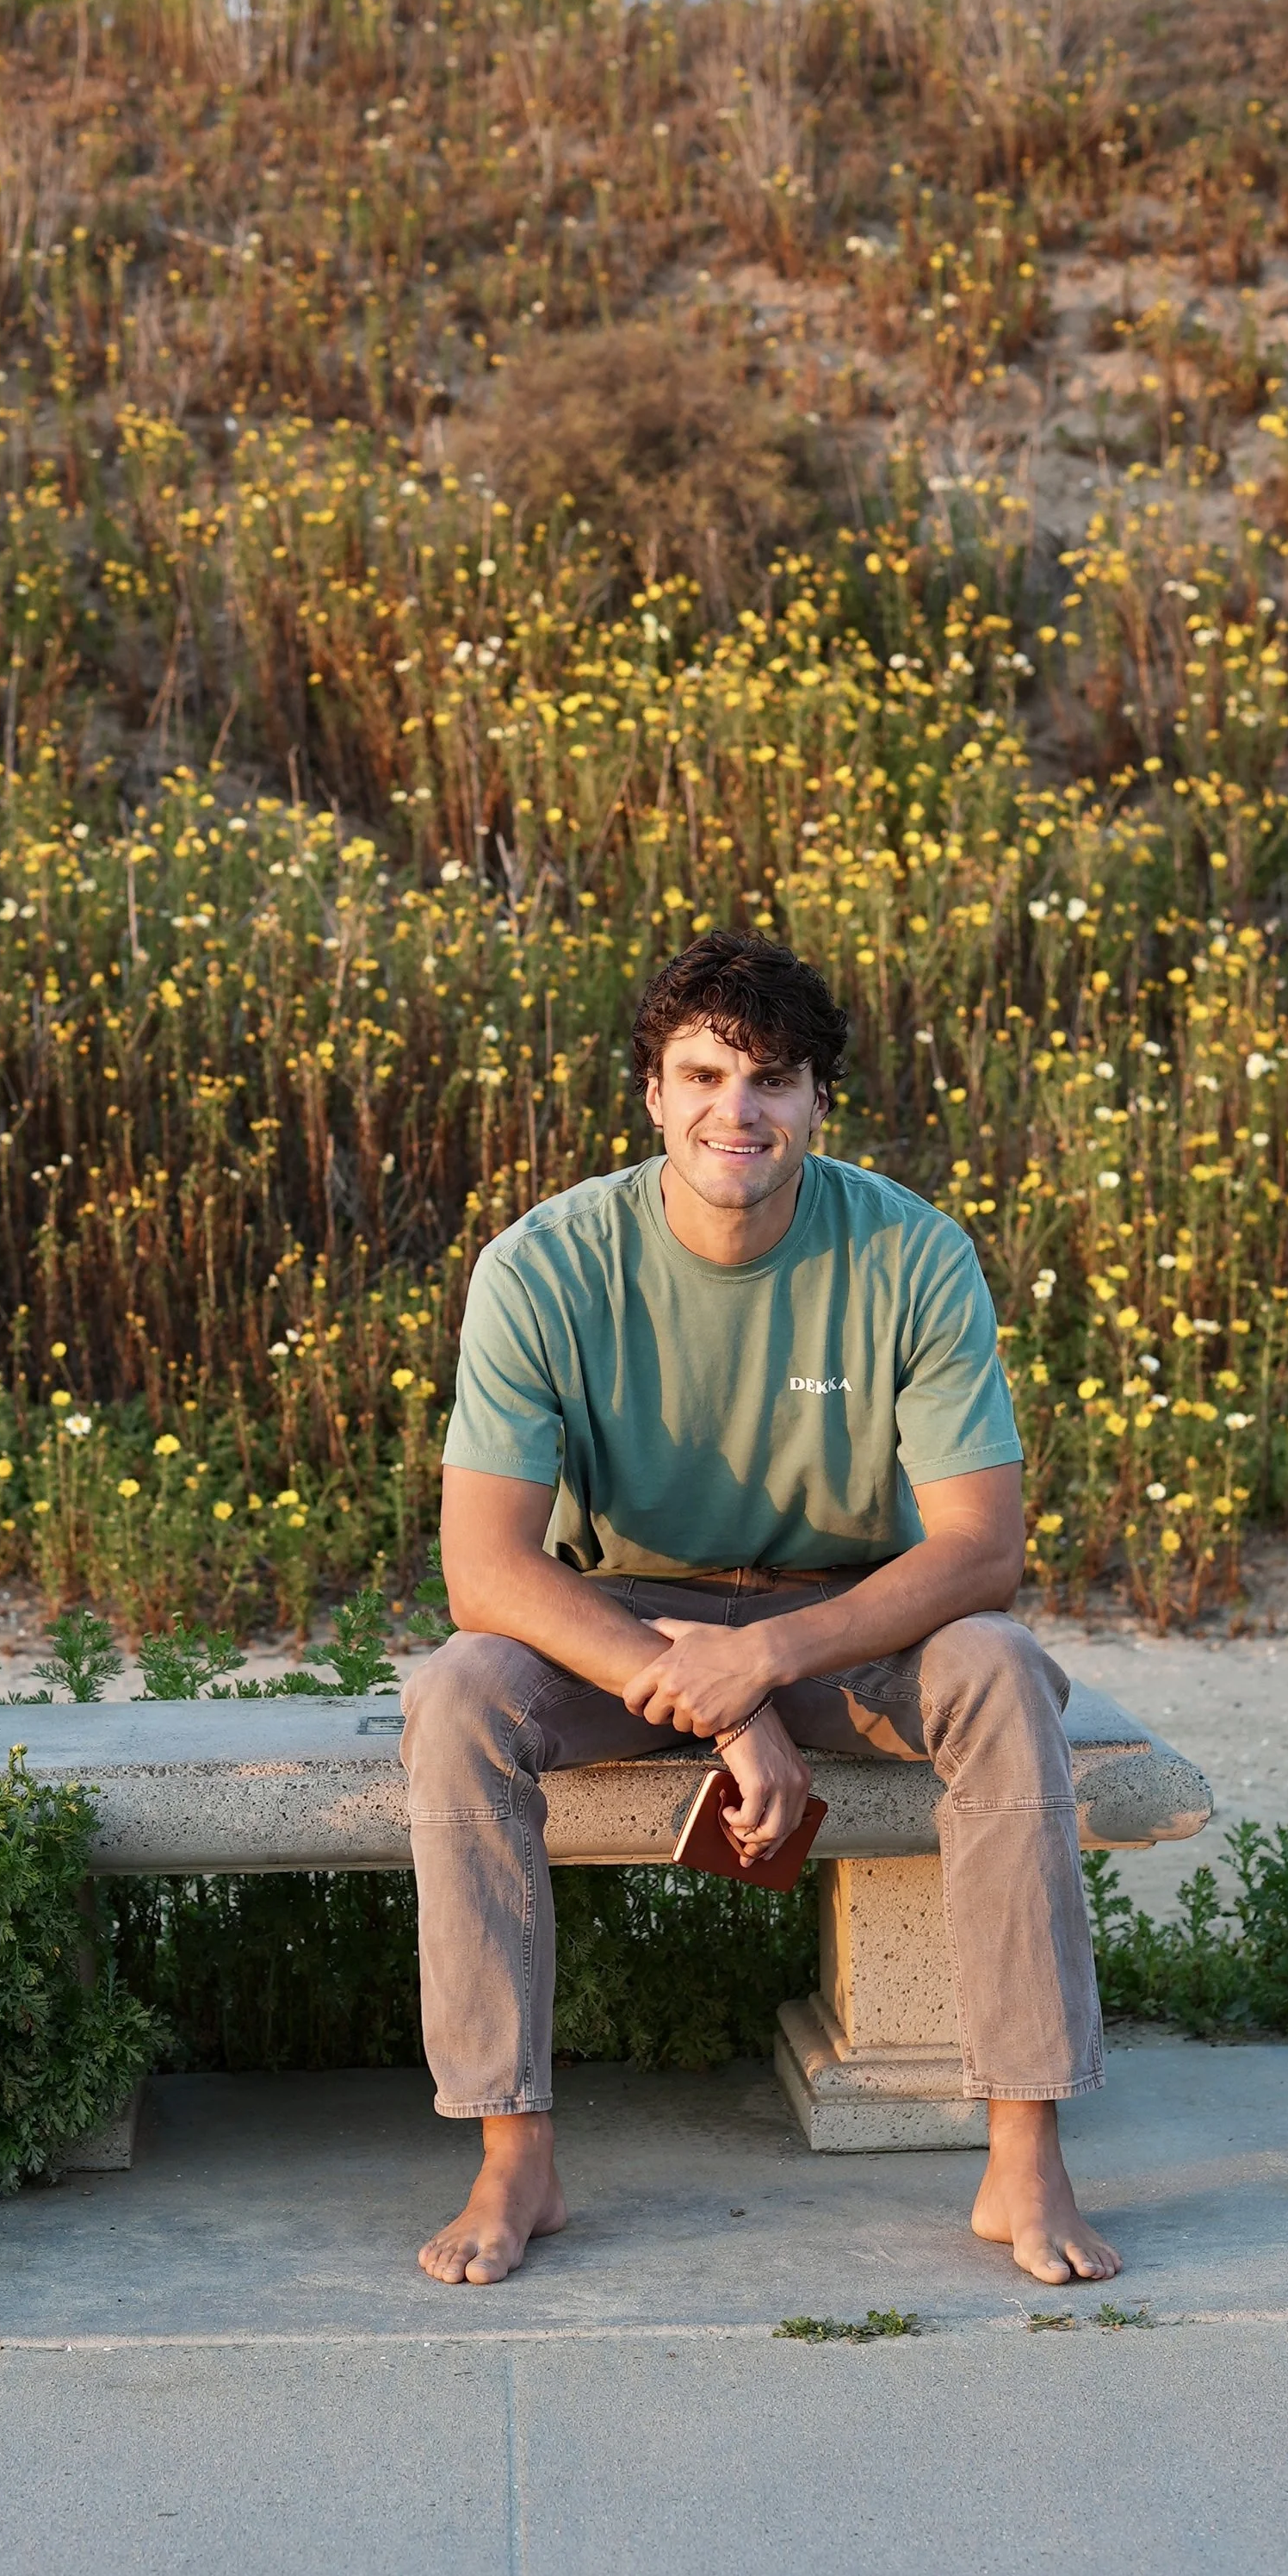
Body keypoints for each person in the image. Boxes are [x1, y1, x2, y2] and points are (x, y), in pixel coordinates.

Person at [400, 928, 1118, 2292]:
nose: (740, 1109)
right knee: (457, 1692)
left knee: (1002, 1667)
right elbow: (486, 1572)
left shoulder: (911, 1254)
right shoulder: (544, 1265)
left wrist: (768, 1661)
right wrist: (722, 1702)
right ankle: (514, 2150)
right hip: (625, 1625)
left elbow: (979, 1549)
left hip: (844, 1621)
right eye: (707, 1075)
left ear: (816, 1105)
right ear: (654, 1096)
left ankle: (1026, 2142)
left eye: (774, 1080)